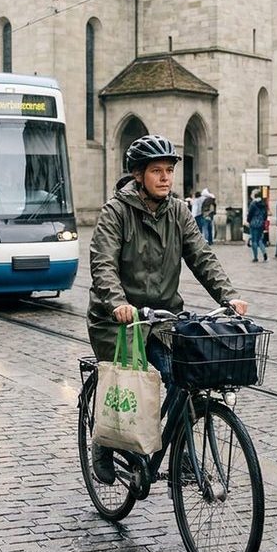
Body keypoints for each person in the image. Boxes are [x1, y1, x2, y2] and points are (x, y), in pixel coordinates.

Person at [88, 134, 249, 484]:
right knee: (127, 382)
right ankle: (103, 441)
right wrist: (117, 302)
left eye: (169, 171)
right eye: (156, 171)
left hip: (161, 320)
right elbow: (103, 264)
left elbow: (201, 256)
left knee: (185, 376)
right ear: (138, 176)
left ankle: (184, 455)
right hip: (117, 320)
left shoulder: (177, 211)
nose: (165, 178)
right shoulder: (115, 212)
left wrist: (229, 297)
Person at [246, 191, 268, 262]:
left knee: (254, 241)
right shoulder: (263, 203)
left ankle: (255, 257)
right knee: (260, 240)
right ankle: (264, 253)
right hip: (261, 224)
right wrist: (263, 221)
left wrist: (248, 221)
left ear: (255, 196)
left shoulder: (253, 204)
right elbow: (265, 215)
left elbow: (250, 214)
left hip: (254, 223)